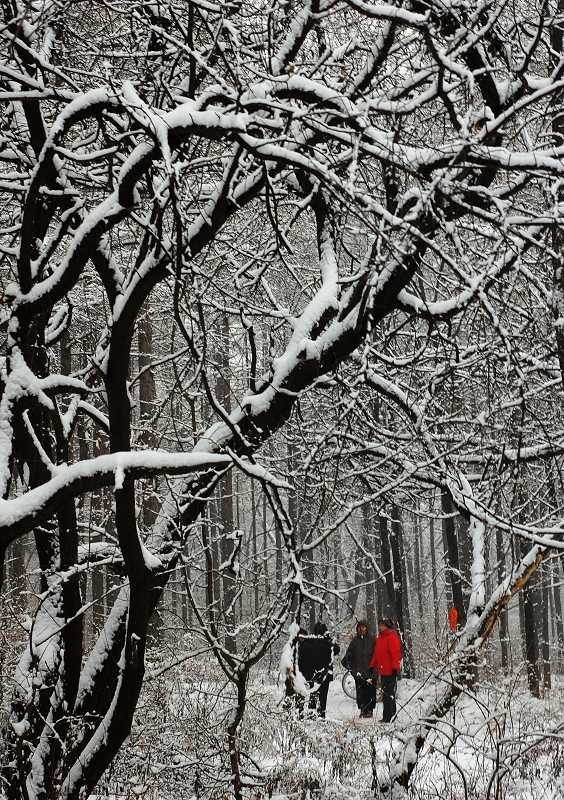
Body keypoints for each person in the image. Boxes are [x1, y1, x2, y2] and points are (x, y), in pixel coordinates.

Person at [298, 621, 340, 718]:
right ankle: (320, 715)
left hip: (314, 674)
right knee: (322, 697)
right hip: (324, 674)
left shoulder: (310, 641)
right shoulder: (327, 643)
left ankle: (312, 714)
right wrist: (328, 638)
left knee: (313, 695)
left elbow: (303, 653)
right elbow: (337, 649)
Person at [370, 618, 402, 723]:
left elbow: (395, 654)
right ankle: (389, 715)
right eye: (379, 625)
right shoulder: (380, 638)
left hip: (390, 671)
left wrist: (395, 668)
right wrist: (372, 665)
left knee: (388, 695)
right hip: (383, 670)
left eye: (382, 625)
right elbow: (376, 654)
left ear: (387, 626)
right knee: (386, 694)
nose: (380, 627)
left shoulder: (392, 637)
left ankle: (389, 716)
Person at [342, 620, 376, 718]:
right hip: (358, 672)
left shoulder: (372, 640)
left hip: (370, 671)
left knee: (370, 692)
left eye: (364, 627)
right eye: (360, 627)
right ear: (357, 629)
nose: (362, 629)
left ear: (367, 628)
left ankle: (370, 710)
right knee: (361, 692)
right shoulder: (355, 641)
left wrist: (375, 669)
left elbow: (377, 655)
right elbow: (348, 655)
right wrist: (351, 668)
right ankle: (362, 710)